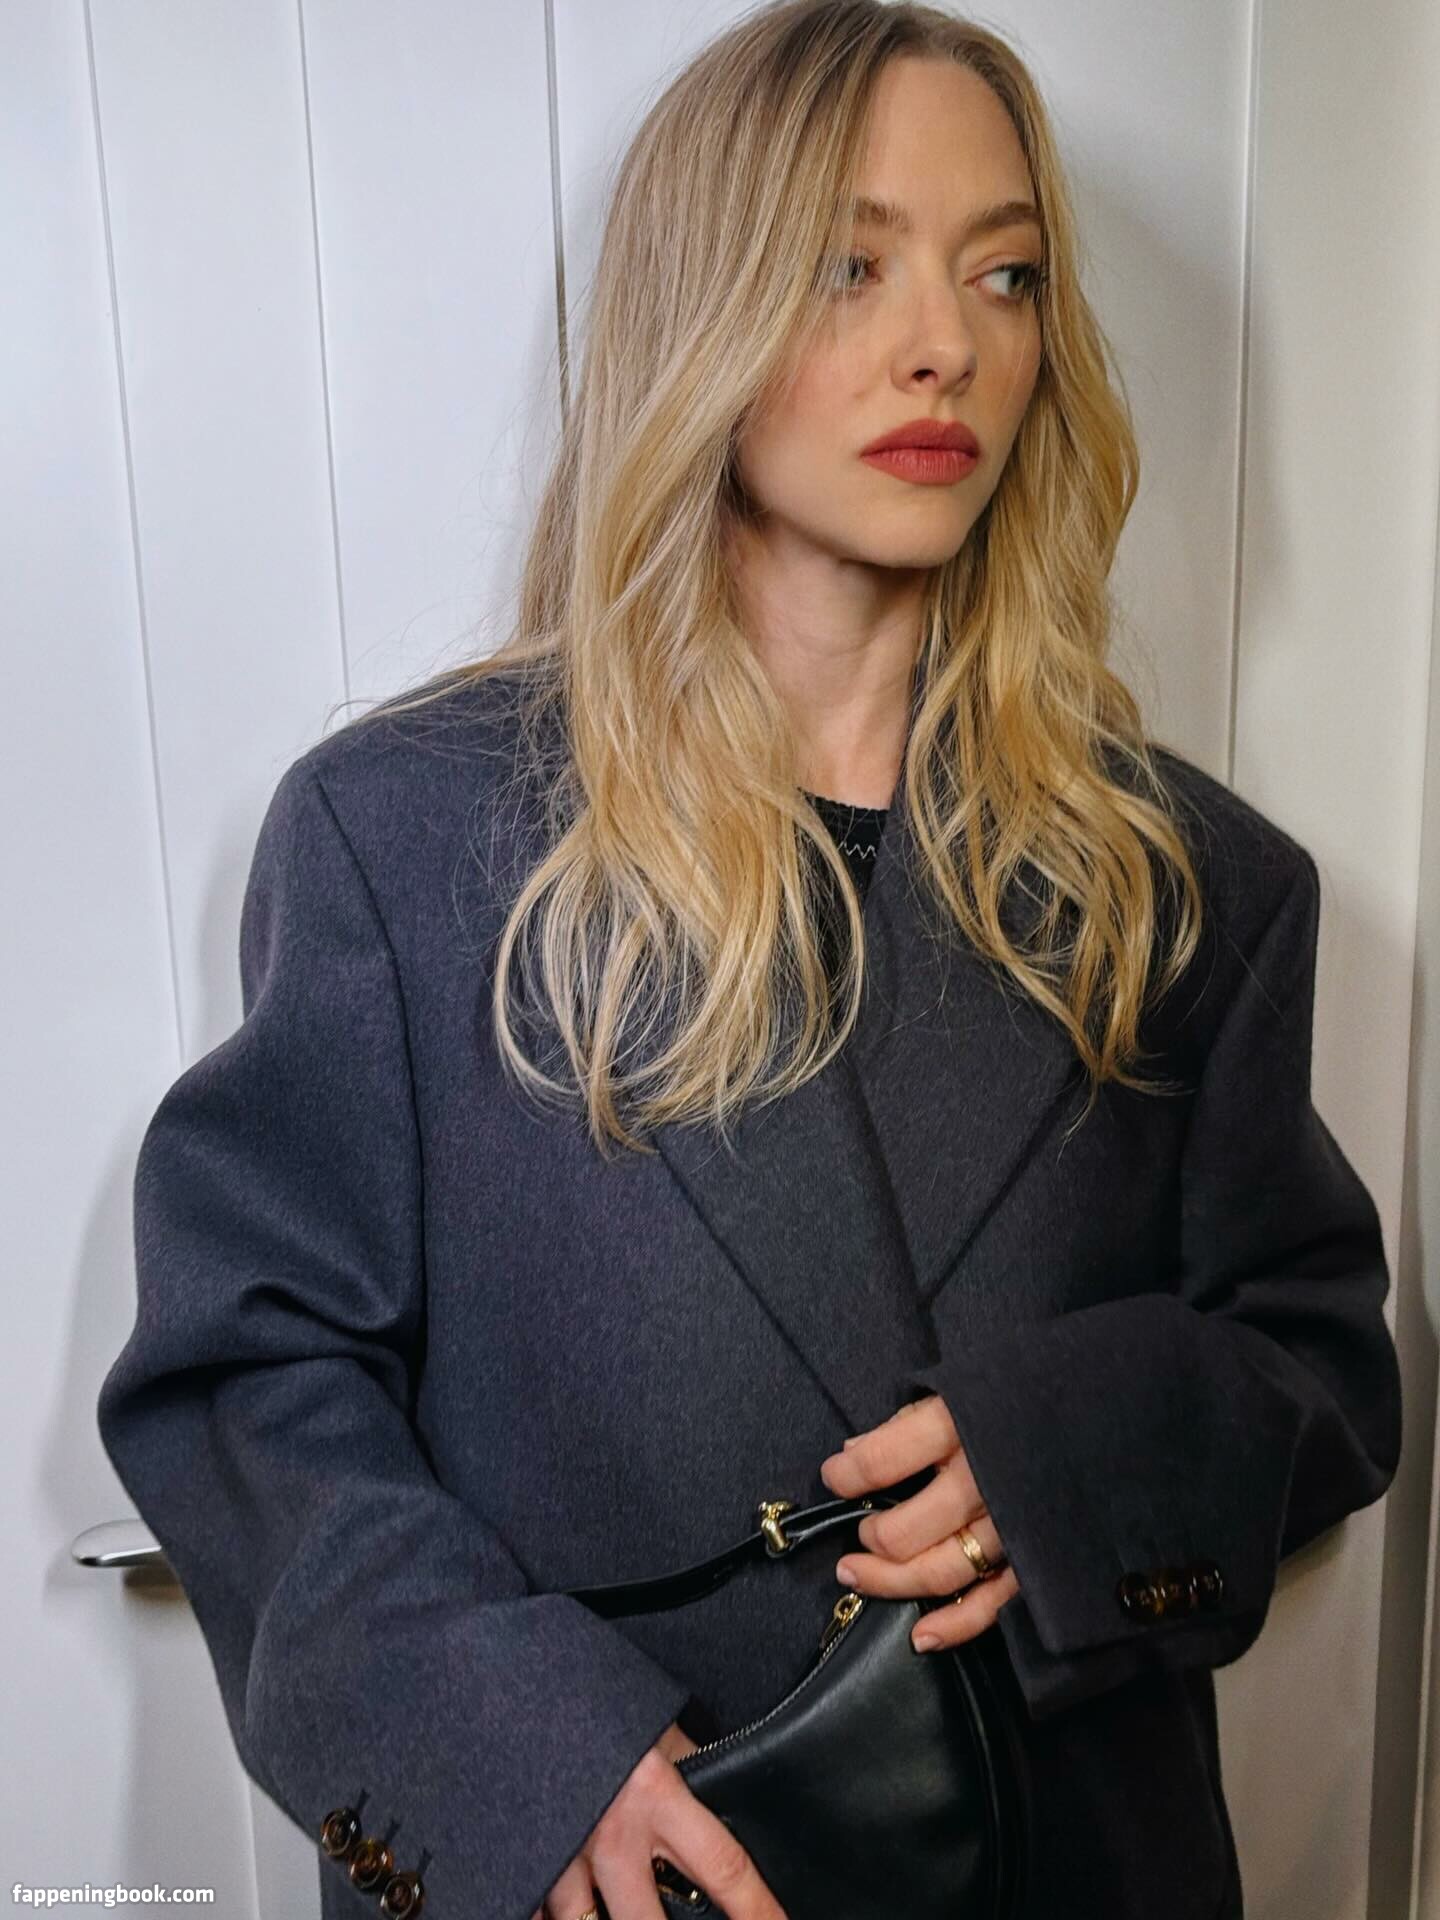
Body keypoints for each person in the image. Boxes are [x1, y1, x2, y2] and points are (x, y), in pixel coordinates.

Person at [95, 5, 1403, 1918]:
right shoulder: (411, 840)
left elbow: (1320, 1358)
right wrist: (512, 1756)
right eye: (847, 264)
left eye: (1006, 273)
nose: (945, 342)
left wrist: (1068, 1463)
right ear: (698, 309)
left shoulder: (1189, 882)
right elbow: (248, 1378)